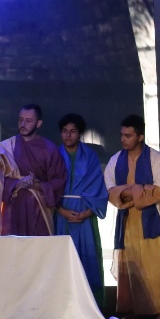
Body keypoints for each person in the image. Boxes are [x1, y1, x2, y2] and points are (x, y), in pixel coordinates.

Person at [104, 114, 160, 319]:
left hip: (153, 219)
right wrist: (133, 191)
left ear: (140, 137)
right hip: (128, 220)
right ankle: (132, 310)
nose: (123, 139)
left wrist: (133, 192)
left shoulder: (156, 159)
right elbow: (110, 189)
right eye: (122, 135)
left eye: (128, 136)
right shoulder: (116, 160)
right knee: (131, 266)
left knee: (155, 266)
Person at [54, 113, 108, 305]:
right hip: (61, 214)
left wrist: (87, 213)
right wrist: (60, 210)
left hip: (85, 212)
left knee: (87, 261)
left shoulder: (91, 156)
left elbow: (98, 187)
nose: (68, 135)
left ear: (80, 134)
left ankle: (90, 306)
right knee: (61, 262)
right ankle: (63, 307)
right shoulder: (54, 155)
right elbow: (50, 187)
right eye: (64, 131)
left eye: (73, 131)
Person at [0, 104, 67, 236]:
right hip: (14, 209)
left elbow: (59, 180)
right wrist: (17, 183)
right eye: (20, 120)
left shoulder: (49, 148)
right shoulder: (7, 147)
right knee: (13, 245)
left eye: (28, 121)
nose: (23, 124)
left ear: (38, 123)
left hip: (39, 210)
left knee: (39, 246)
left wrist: (37, 185)